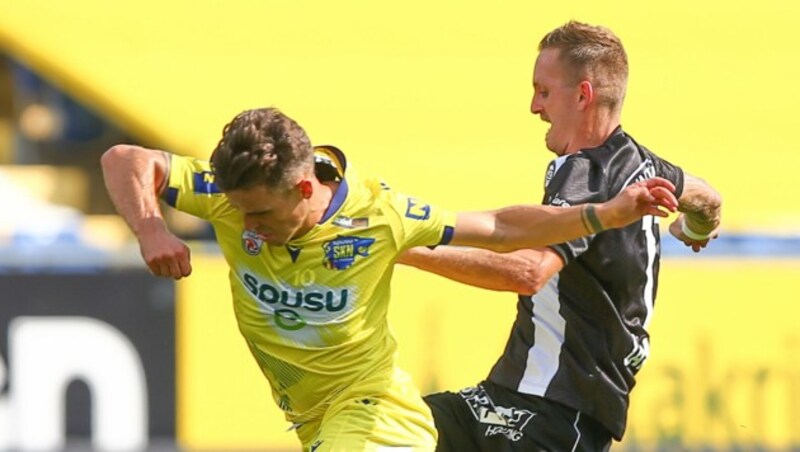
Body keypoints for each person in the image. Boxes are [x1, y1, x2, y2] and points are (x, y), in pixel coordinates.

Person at [100, 107, 677, 451]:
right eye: (241, 211)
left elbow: (500, 227)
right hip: (314, 419)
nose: (247, 227)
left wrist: (603, 214)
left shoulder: (381, 216)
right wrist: (151, 229)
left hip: (373, 410)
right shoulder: (229, 197)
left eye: (263, 216)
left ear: (305, 189)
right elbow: (125, 158)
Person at [399, 21, 723, 451]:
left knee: (387, 431)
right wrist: (697, 225)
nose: (535, 106)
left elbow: (528, 271)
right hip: (511, 404)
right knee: (388, 426)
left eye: (543, 91)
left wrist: (400, 247)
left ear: (583, 95)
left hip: (550, 420)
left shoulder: (583, 171)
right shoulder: (642, 165)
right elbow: (707, 196)